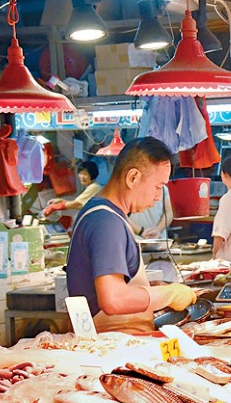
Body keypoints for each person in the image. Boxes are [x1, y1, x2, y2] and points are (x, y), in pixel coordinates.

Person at [65, 137, 196, 333]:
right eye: (158, 186)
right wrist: (169, 294)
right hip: (113, 347)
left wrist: (153, 288)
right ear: (132, 178)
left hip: (120, 341)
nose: (159, 196)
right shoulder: (106, 222)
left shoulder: (103, 213)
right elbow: (113, 300)